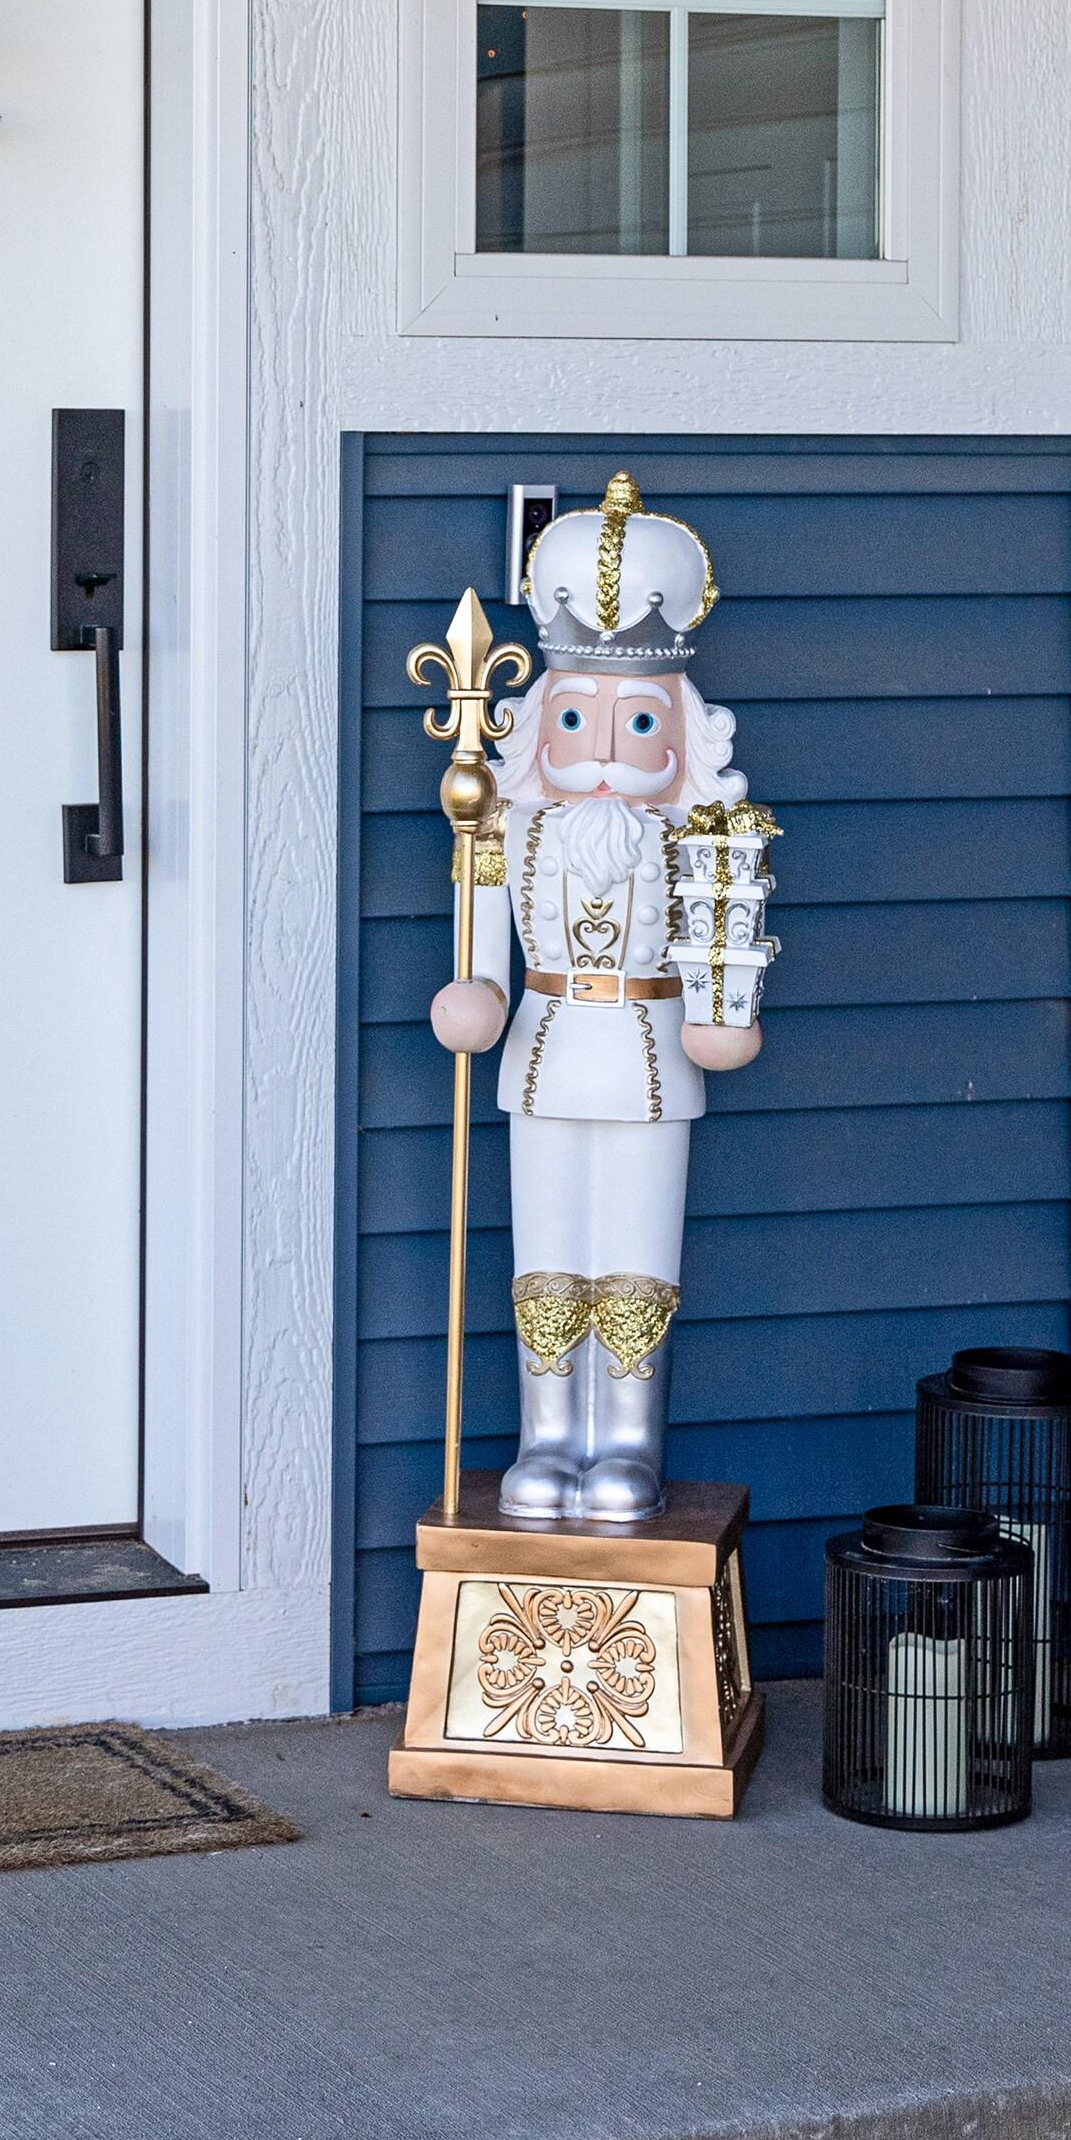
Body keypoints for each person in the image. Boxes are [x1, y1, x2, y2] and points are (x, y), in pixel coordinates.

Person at [430, 474, 770, 1522]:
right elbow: (481, 954)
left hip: (650, 1057)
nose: (609, 752)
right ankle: (548, 1437)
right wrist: (474, 997)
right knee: (547, 1253)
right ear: (543, 724)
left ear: (681, 736)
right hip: (540, 1053)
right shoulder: (506, 832)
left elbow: (725, 948)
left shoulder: (700, 840)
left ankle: (623, 1442)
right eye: (579, 719)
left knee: (633, 1251)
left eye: (634, 724)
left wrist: (724, 1018)